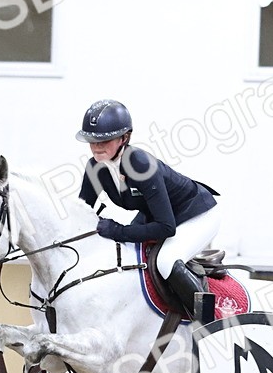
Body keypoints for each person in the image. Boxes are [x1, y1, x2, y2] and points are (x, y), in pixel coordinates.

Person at [75, 99, 221, 315]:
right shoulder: (94, 168)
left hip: (196, 214)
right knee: (126, 257)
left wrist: (117, 231)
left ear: (125, 138)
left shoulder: (140, 163)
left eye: (104, 140)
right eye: (92, 140)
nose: (96, 146)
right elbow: (81, 212)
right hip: (157, 216)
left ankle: (209, 325)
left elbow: (165, 228)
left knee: (165, 261)